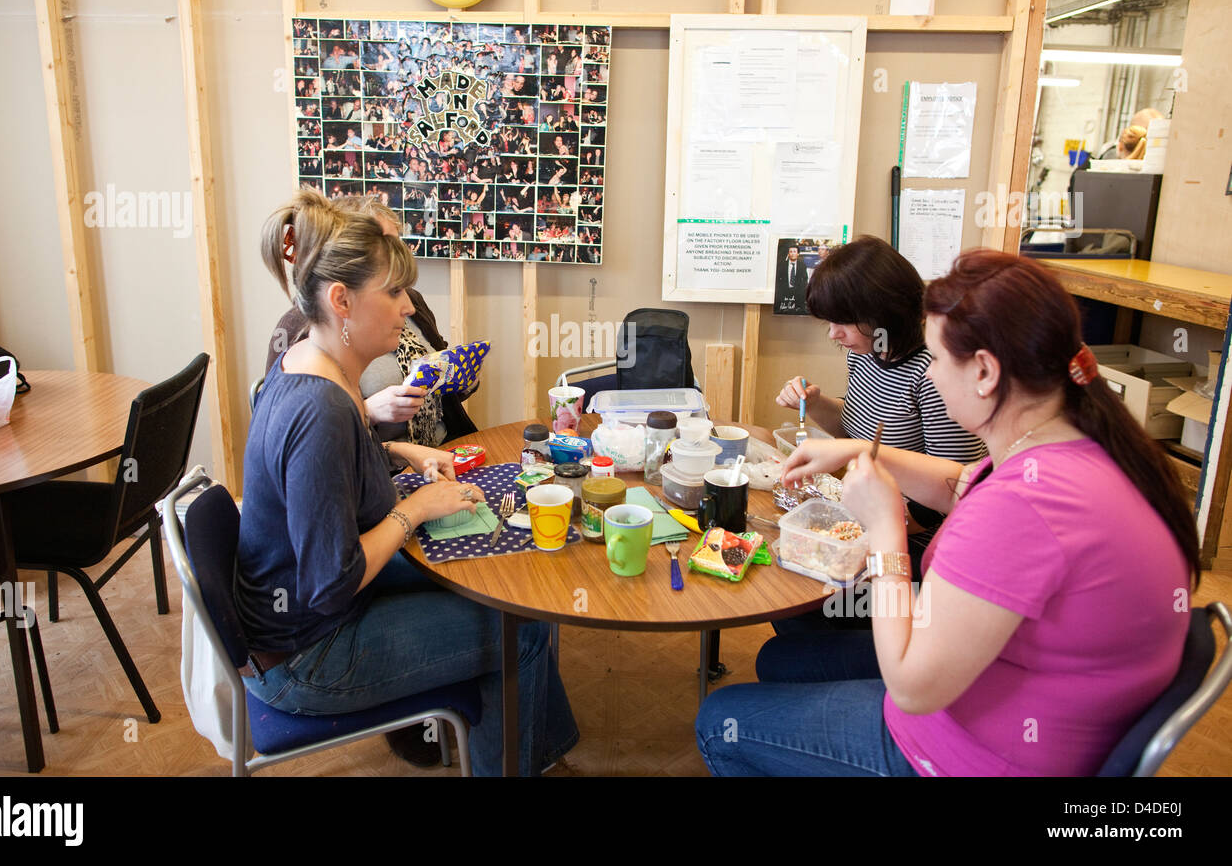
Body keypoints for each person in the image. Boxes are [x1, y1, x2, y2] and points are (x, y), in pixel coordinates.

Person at [697, 250, 1198, 776]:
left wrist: (888, 529)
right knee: (781, 661)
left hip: (974, 752)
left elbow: (912, 687)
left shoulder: (1022, 508)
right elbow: (962, 483)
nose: (929, 375)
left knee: (719, 720)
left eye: (935, 360)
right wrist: (860, 452)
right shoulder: (1078, 443)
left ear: (984, 371)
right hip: (1012, 688)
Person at [246, 190, 578, 776]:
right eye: (394, 292)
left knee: (513, 573)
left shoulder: (310, 361)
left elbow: (340, 458)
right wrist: (417, 508)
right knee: (521, 628)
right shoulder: (319, 410)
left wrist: (397, 445)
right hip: (313, 653)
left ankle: (532, 751)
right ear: (342, 300)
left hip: (315, 616)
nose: (407, 308)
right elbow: (331, 582)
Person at [776, 236, 985, 576]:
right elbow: (856, 429)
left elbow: (950, 493)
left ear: (882, 313)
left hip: (919, 539)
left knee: (804, 595)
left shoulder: (933, 374)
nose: (833, 335)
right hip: (872, 511)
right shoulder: (866, 354)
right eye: (829, 322)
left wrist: (855, 531)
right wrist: (814, 404)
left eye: (842, 322)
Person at [265, 198, 476, 447]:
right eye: (384, 248)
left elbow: (439, 359)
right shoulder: (303, 339)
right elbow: (309, 434)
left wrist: (459, 374)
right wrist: (368, 412)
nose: (406, 306)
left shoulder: (413, 302)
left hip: (438, 450)